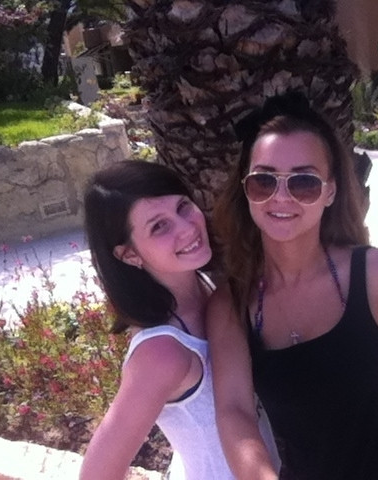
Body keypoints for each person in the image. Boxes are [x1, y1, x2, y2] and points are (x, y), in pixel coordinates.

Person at [208, 92, 378, 480]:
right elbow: (235, 412)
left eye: (303, 182)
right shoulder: (232, 304)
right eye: (264, 181)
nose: (281, 197)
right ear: (246, 188)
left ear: (330, 191)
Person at [79, 160, 278, 480]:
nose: (187, 228)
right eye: (159, 226)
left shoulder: (209, 287)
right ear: (129, 254)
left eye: (183, 206)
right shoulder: (162, 354)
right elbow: (97, 474)